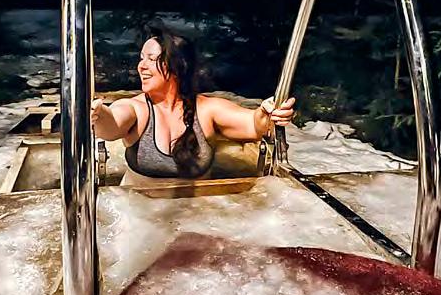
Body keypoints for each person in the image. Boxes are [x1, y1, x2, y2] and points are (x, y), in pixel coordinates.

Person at [91, 22, 295, 184]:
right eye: (141, 58)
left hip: (194, 213)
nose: (141, 66)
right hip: (137, 214)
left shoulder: (206, 110)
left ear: (177, 66)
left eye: (151, 59)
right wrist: (97, 114)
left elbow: (253, 124)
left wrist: (267, 113)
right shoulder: (136, 108)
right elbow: (111, 124)